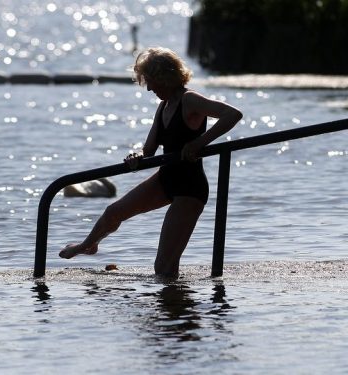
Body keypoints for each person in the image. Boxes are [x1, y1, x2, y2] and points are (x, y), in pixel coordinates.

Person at [59, 47, 243, 279]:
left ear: (165, 77)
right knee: (112, 212)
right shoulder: (163, 106)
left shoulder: (190, 100)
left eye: (152, 82)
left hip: (190, 188)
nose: (149, 88)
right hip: (166, 178)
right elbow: (148, 149)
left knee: (163, 268)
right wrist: (137, 155)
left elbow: (233, 114)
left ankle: (176, 310)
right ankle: (88, 245)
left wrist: (199, 143)